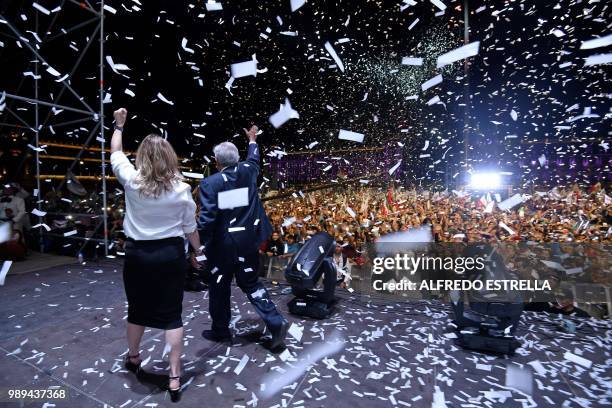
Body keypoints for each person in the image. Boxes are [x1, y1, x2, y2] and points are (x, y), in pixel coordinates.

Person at [110, 108, 202, 402]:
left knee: (137, 309)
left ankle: (134, 358)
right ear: (170, 158)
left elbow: (114, 152)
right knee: (172, 315)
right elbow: (190, 227)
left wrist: (119, 125)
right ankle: (174, 377)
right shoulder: (182, 189)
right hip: (170, 256)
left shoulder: (131, 181)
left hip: (138, 255)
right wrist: (197, 252)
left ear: (142, 158)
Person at [197, 124, 288, 350]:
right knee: (251, 283)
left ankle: (220, 330)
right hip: (248, 242)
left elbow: (207, 220)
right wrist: (252, 140)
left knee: (219, 287)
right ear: (237, 159)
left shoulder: (210, 183)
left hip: (223, 247)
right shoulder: (248, 170)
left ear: (216, 162)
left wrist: (197, 248)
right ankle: (275, 322)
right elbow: (255, 159)